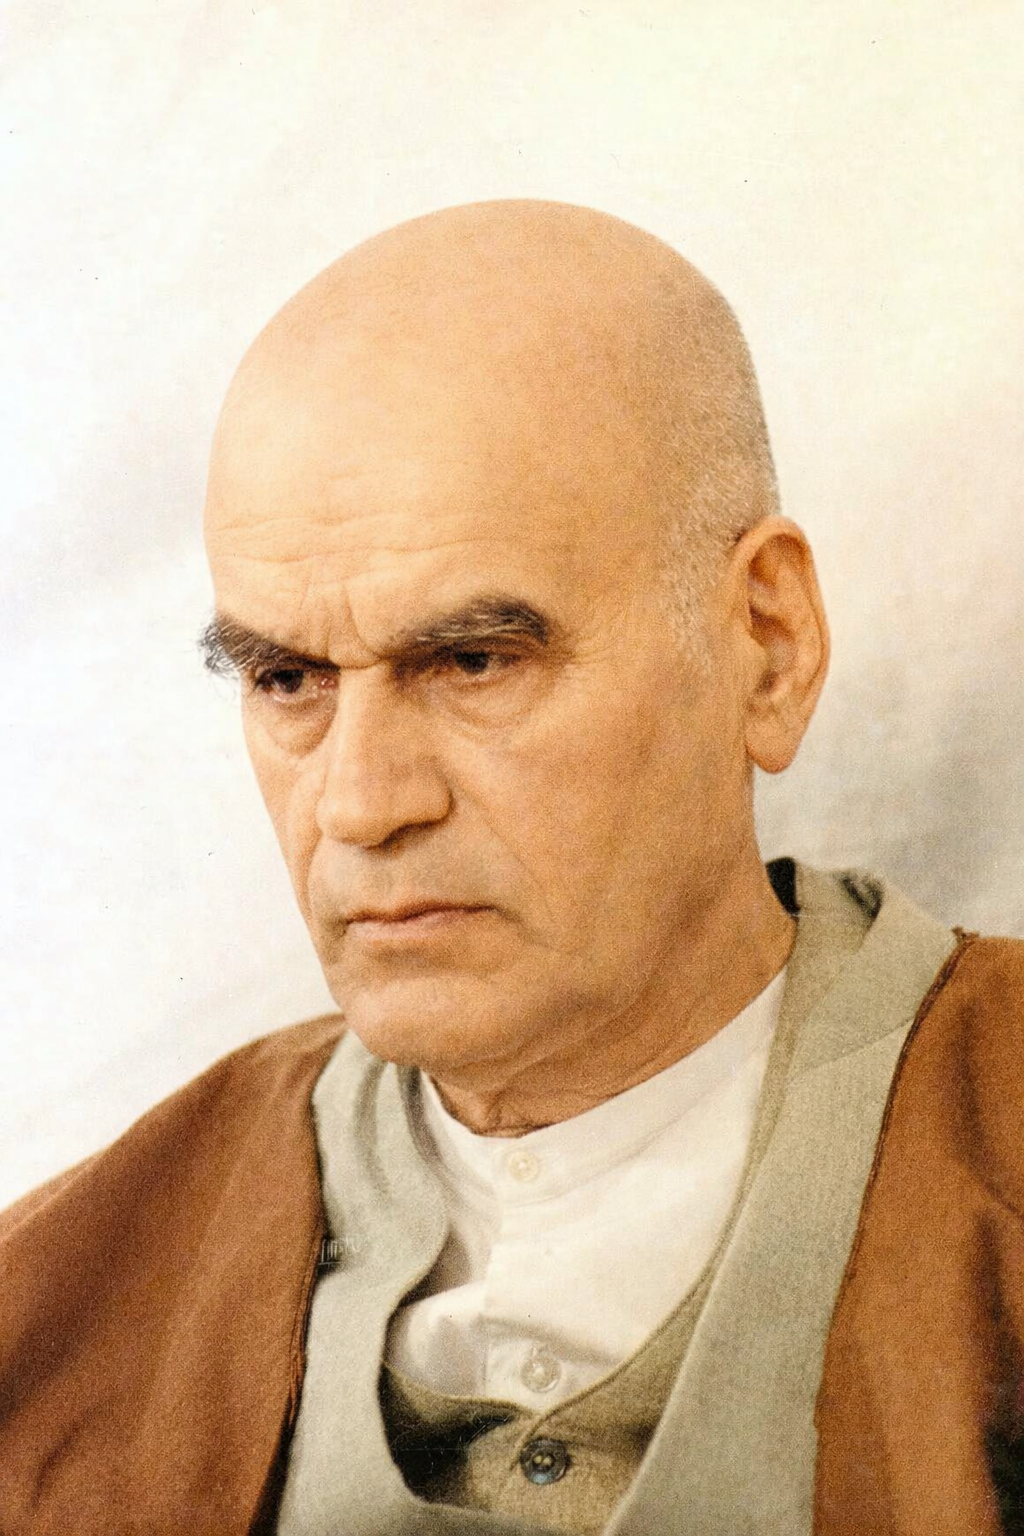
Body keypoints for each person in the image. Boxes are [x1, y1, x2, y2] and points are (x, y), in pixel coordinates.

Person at [2, 200, 1023, 1536]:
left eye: (475, 661)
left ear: (766, 647)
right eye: (288, 679)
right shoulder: (56, 1305)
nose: (360, 804)